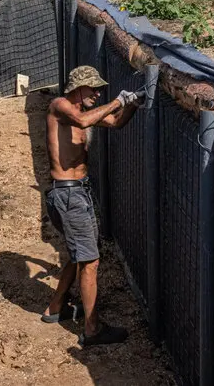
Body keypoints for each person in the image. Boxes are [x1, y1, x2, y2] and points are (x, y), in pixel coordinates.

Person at [43, 65, 141, 347]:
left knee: (79, 255)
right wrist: (118, 100)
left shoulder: (81, 113)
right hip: (68, 196)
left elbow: (115, 122)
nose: (98, 93)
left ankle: (55, 308)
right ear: (78, 87)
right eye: (93, 88)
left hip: (77, 194)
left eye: (99, 89)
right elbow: (85, 121)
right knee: (90, 261)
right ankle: (93, 329)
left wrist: (133, 104)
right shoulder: (60, 106)